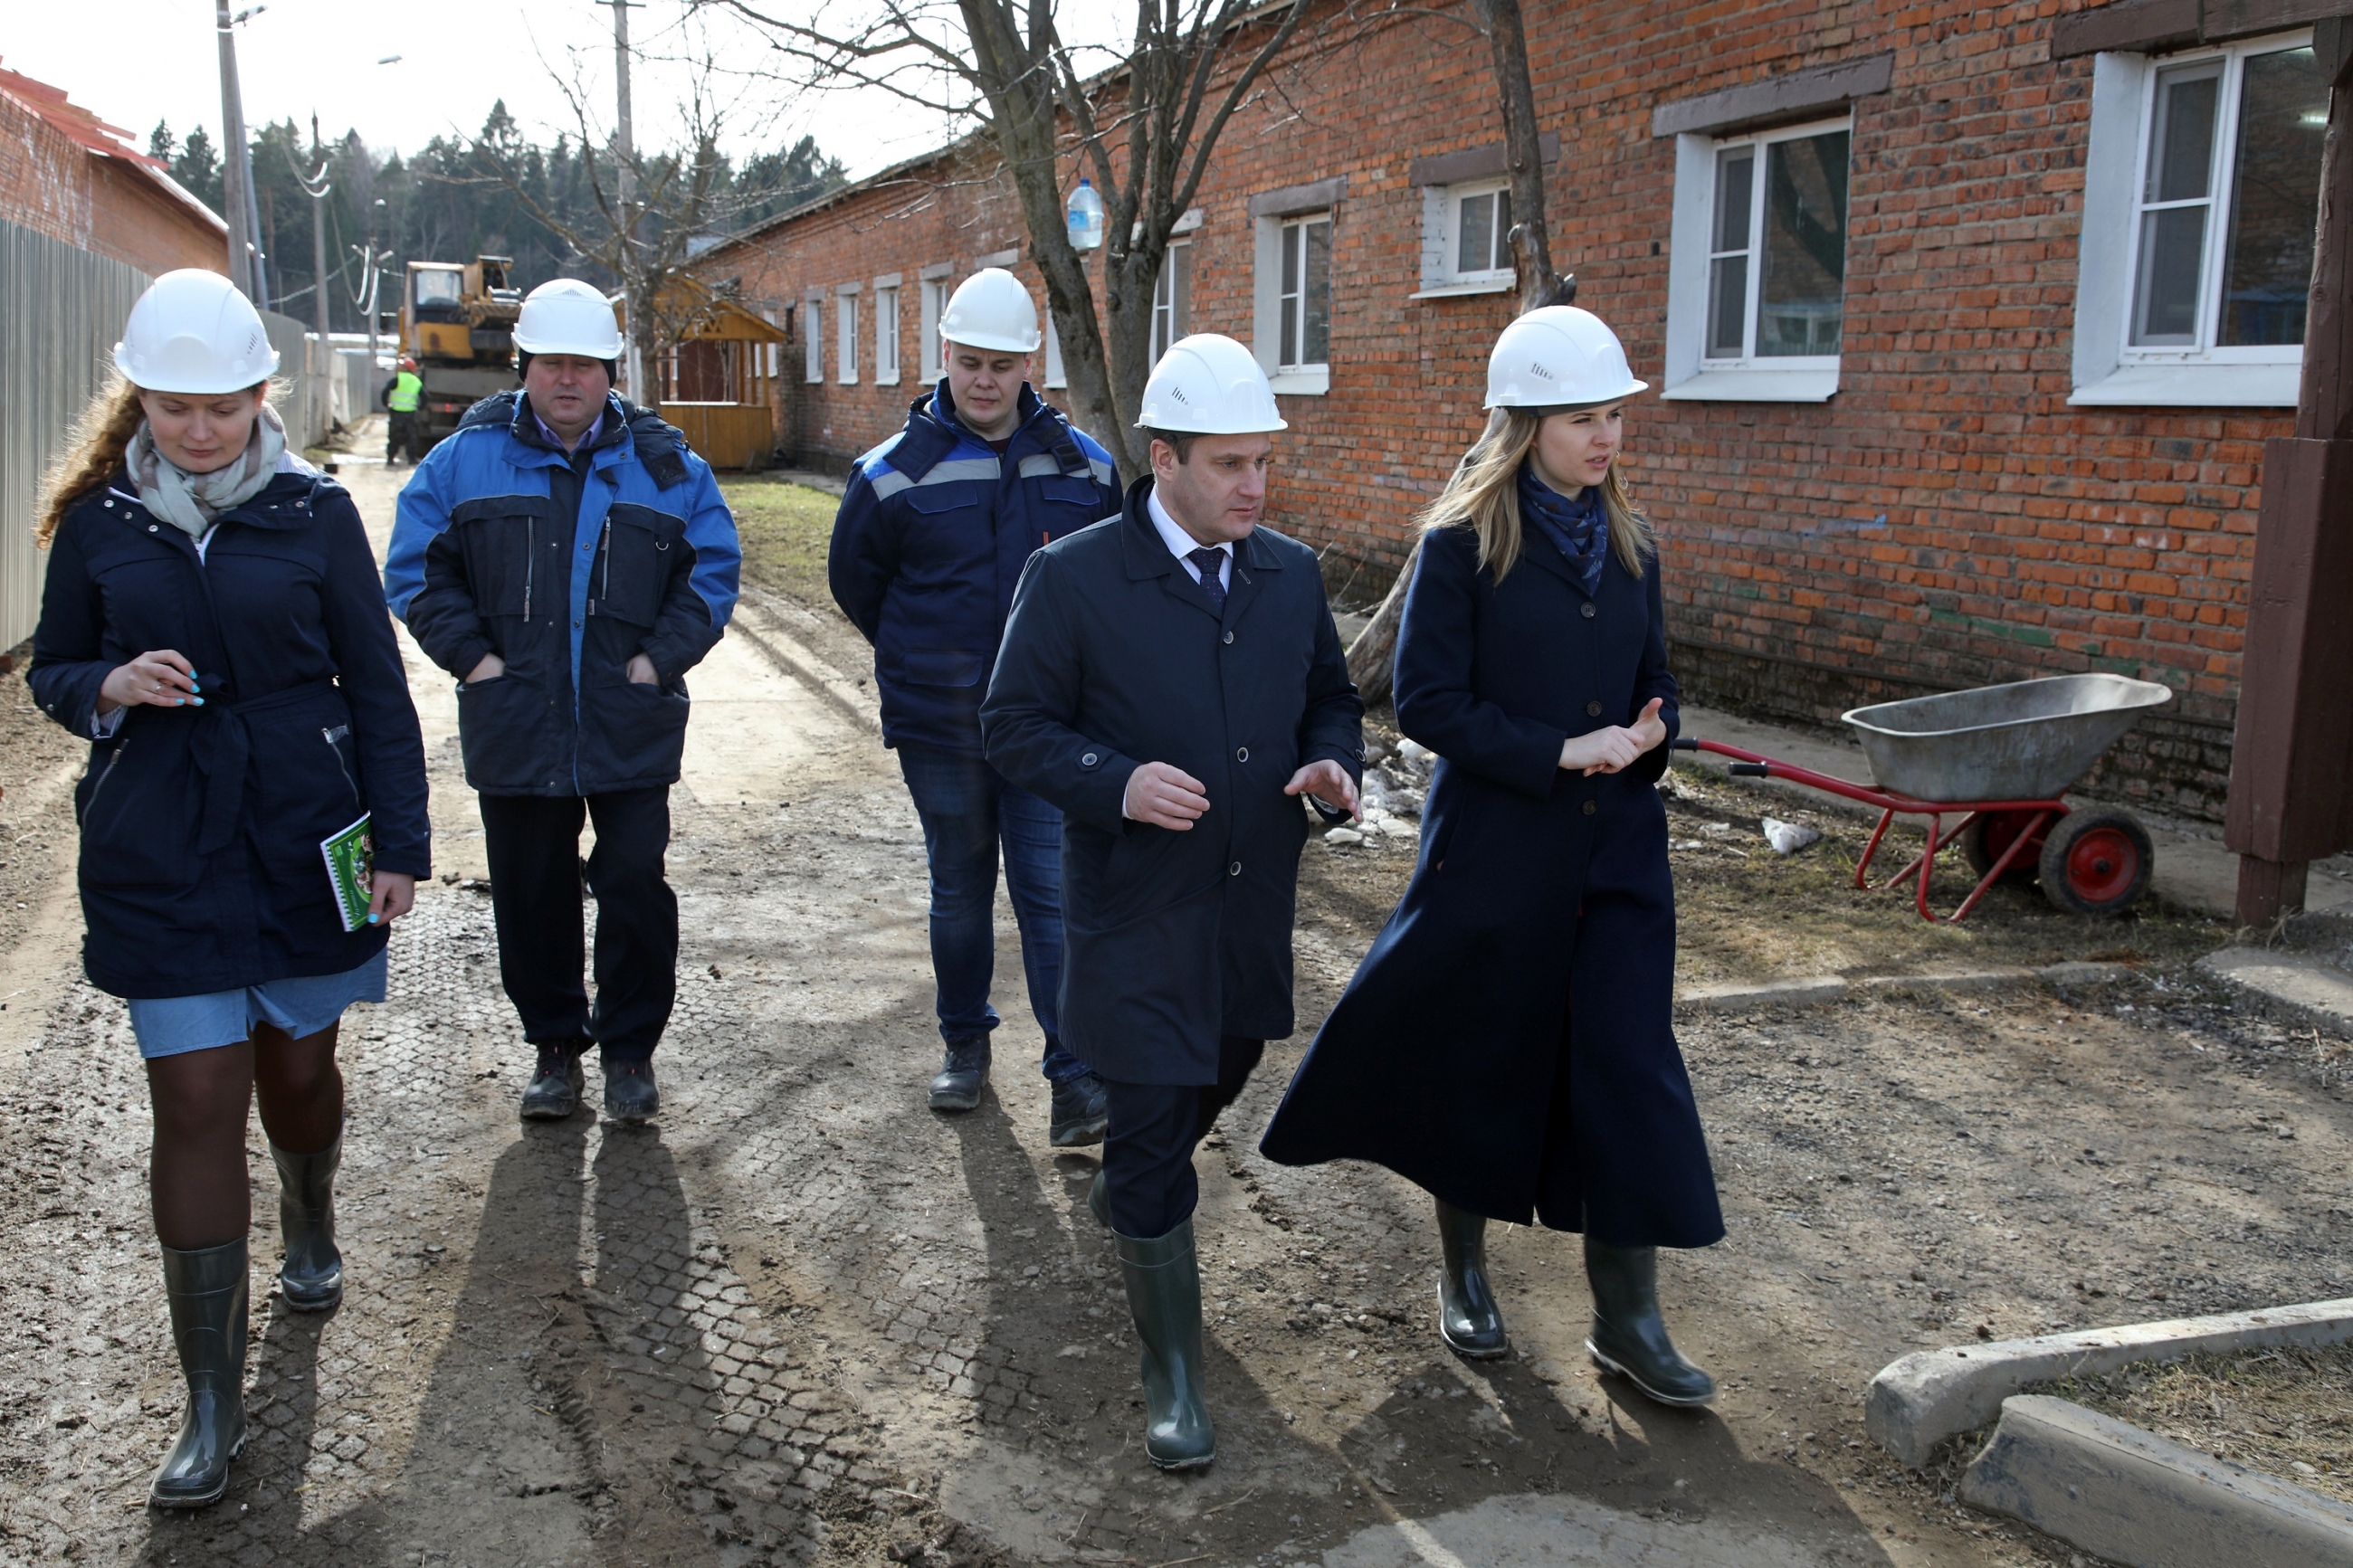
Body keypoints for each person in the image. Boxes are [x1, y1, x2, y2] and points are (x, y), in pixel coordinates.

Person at [1259, 307, 1723, 1407]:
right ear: (1524, 425)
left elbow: (1657, 680)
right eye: (1580, 419)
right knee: (1479, 1051)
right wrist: (1558, 749)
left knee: (1624, 1066)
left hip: (1616, 857)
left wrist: (1654, 730)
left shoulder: (1632, 543)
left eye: (1613, 415)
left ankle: (1626, 1318)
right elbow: (1425, 701)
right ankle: (1463, 1270)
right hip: (1495, 850)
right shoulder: (1461, 545)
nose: (1604, 436)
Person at [26, 268, 433, 1506]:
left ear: (266, 393)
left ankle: (309, 1218)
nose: (199, 430)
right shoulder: (99, 524)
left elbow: (375, 684)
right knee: (195, 1097)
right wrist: (106, 685)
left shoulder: (314, 515)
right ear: (138, 398)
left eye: (222, 406)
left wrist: (400, 843)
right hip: (162, 845)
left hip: (306, 837)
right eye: (173, 407)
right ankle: (211, 1400)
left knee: (297, 1069)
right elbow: (52, 671)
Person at [981, 334, 1364, 1469]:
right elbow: (1011, 727)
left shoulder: (1288, 574)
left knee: (1228, 1060)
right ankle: (1173, 1371)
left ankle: (1137, 1188)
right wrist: (1116, 782)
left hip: (1247, 903)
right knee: (1152, 1120)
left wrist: (1332, 765)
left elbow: (1331, 700)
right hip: (1138, 909)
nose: (1256, 485)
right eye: (1230, 464)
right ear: (1163, 460)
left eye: (1264, 463)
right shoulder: (1075, 577)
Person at [384, 278, 741, 1123]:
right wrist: (471, 659)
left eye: (585, 364)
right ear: (525, 367)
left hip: (629, 721)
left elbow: (713, 575)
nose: (569, 380)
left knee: (632, 882)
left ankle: (628, 1055)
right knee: (531, 889)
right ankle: (553, 1047)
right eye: (552, 364)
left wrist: (658, 661)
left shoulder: (666, 467)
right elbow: (414, 570)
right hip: (516, 720)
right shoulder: (464, 461)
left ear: (611, 373)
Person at [829, 268, 1123, 1144]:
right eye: (968, 362)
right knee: (959, 888)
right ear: (943, 357)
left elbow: (1110, 582)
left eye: (1002, 363)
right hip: (940, 725)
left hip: (1045, 729)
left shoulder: (1085, 468)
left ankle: (1073, 1077)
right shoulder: (889, 474)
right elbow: (858, 584)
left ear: (1030, 362)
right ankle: (963, 1045)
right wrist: (926, 656)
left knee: (1048, 894)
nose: (984, 380)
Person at [384, 355, 424, 465]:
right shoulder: (416, 381)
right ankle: (411, 459)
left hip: (396, 414)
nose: (398, 367)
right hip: (410, 414)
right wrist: (419, 408)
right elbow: (425, 398)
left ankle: (390, 459)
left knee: (394, 437)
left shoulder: (396, 380)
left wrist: (386, 404)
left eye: (401, 365)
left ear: (406, 368)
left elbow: (385, 392)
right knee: (411, 438)